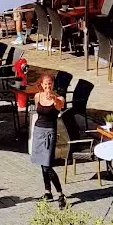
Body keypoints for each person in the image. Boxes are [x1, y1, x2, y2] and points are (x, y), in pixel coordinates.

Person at [31, 72, 66, 208]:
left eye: (50, 84)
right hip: (38, 131)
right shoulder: (37, 96)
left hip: (49, 133)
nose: (48, 86)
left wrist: (54, 98)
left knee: (48, 165)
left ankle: (60, 194)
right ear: (41, 85)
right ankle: (47, 191)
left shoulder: (59, 98)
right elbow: (38, 112)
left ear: (53, 85)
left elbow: (60, 106)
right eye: (45, 84)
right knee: (42, 164)